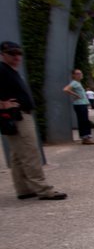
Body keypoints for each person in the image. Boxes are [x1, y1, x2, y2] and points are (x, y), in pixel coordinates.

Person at [0, 41, 66, 200]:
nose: (17, 57)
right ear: (2, 54)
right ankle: (43, 189)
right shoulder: (2, 70)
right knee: (30, 152)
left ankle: (23, 188)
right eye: (12, 53)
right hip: (17, 116)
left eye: (19, 53)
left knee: (18, 155)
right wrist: (2, 104)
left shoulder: (9, 71)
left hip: (18, 115)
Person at [63, 69, 94, 145]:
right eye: (78, 73)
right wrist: (76, 95)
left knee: (84, 121)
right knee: (83, 121)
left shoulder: (78, 83)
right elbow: (66, 89)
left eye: (81, 73)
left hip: (82, 104)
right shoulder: (74, 83)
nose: (80, 75)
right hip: (79, 104)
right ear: (73, 75)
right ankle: (86, 138)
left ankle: (85, 137)